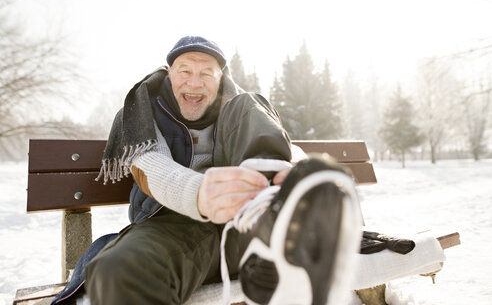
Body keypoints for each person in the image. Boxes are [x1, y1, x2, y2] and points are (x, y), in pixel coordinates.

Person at [52, 36, 362, 305]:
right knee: (119, 270)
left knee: (248, 103)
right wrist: (200, 193)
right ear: (169, 75)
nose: (195, 81)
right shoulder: (141, 113)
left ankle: (279, 230)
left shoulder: (240, 107)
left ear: (220, 79)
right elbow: (152, 168)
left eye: (206, 73)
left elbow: (282, 144)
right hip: (171, 230)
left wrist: (294, 170)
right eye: (185, 71)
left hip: (249, 224)